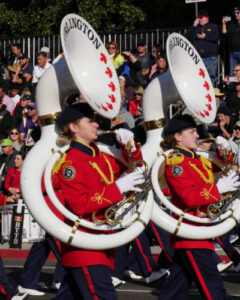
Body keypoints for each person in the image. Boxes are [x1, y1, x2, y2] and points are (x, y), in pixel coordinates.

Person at [54, 102, 144, 300]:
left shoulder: (102, 155)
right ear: (74, 127)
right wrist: (117, 188)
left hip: (100, 239)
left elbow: (137, 168)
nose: (97, 124)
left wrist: (130, 146)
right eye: (90, 121)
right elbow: (79, 204)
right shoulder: (70, 162)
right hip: (84, 243)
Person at [158, 114, 240, 300]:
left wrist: (223, 152)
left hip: (198, 232)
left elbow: (228, 167)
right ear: (178, 136)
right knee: (214, 290)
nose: (197, 135)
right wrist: (217, 189)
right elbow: (189, 197)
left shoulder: (197, 159)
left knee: (175, 291)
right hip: (191, 233)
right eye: (192, 131)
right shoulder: (176, 162)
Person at [186, 9, 220, 85]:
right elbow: (187, 37)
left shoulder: (213, 26)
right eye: (198, 18)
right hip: (198, 58)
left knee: (212, 77)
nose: (199, 19)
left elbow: (217, 37)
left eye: (201, 17)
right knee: (199, 78)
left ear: (207, 18)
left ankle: (214, 94)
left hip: (211, 57)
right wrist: (193, 26)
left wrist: (206, 36)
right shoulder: (195, 28)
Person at [222, 7, 240, 76]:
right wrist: (224, 24)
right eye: (234, 13)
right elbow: (224, 34)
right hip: (232, 52)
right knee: (233, 72)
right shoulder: (232, 24)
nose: (236, 14)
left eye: (238, 13)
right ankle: (232, 86)